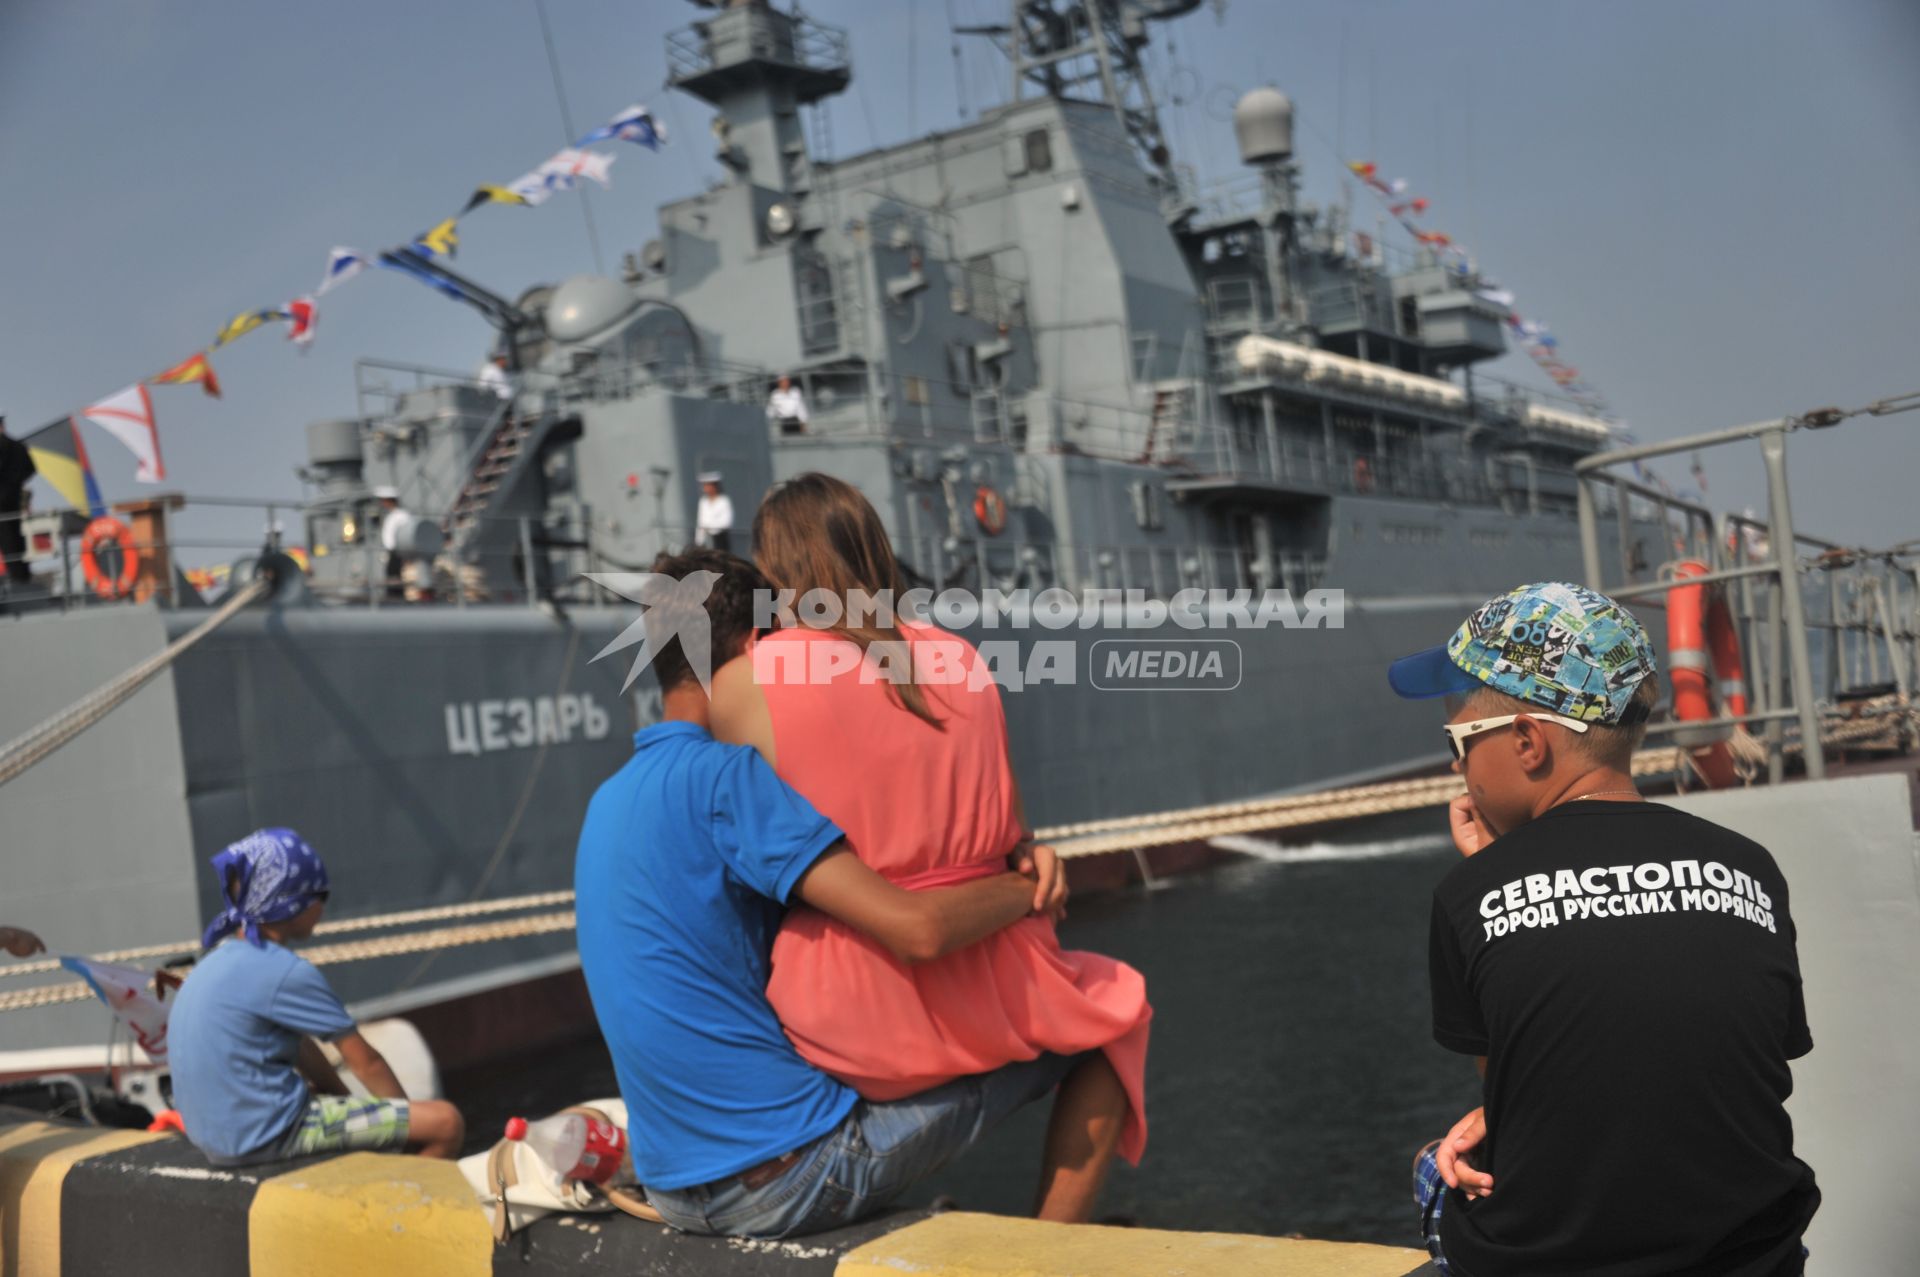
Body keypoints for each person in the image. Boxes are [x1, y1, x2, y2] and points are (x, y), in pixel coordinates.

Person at [576, 548, 1104, 1241]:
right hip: (786, 1177)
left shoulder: (607, 801)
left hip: (675, 1183)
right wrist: (1025, 885)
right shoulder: (726, 780)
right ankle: (1049, 1263)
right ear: (754, 647)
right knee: (1098, 1033)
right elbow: (915, 928)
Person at [710, 473, 1149, 1180]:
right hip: (1006, 994)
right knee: (1121, 1008)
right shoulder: (963, 658)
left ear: (775, 570)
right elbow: (1017, 846)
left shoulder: (745, 680)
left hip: (850, 1021)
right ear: (876, 552)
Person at [1389, 582, 1818, 1276]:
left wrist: (1494, 872)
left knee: (1435, 1166)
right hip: (1758, 1259)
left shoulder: (1471, 893)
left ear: (1528, 742)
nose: (1455, 767)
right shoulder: (1751, 866)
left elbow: (1512, 1083)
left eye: (1459, 740)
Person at [166, 829, 465, 1166]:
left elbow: (302, 1046)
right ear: (294, 903)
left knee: (330, 1100)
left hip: (216, 1138)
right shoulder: (285, 971)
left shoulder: (213, 961)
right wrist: (408, 1127)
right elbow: (366, 1062)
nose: (323, 906)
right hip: (269, 1135)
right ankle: (409, 1207)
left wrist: (342, 1098)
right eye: (320, 894)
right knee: (445, 1123)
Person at [0, 415, 37, 586]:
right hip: (14, 499)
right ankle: (21, 576)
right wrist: (16, 481)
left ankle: (16, 577)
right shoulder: (18, 446)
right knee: (16, 538)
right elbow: (31, 468)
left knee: (7, 538)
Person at [373, 486, 414, 601]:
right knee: (391, 574)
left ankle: (397, 598)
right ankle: (393, 597)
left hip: (399, 551)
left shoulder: (402, 516)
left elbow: (407, 534)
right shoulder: (392, 516)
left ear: (390, 501)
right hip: (392, 551)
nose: (382, 503)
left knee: (395, 576)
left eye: (384, 500)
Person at [694, 471, 733, 554]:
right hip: (707, 539)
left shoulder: (723, 501)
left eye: (708, 485)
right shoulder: (703, 502)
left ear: (714, 486)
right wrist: (699, 541)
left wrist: (710, 527)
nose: (705, 488)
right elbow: (700, 521)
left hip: (720, 538)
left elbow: (726, 522)